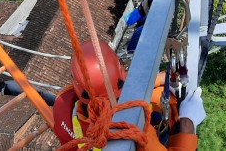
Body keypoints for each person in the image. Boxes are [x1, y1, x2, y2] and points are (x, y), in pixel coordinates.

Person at [53, 40, 204, 150]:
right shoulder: (136, 130)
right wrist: (187, 122)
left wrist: (158, 79)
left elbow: (111, 93)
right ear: (121, 72)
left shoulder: (62, 104)